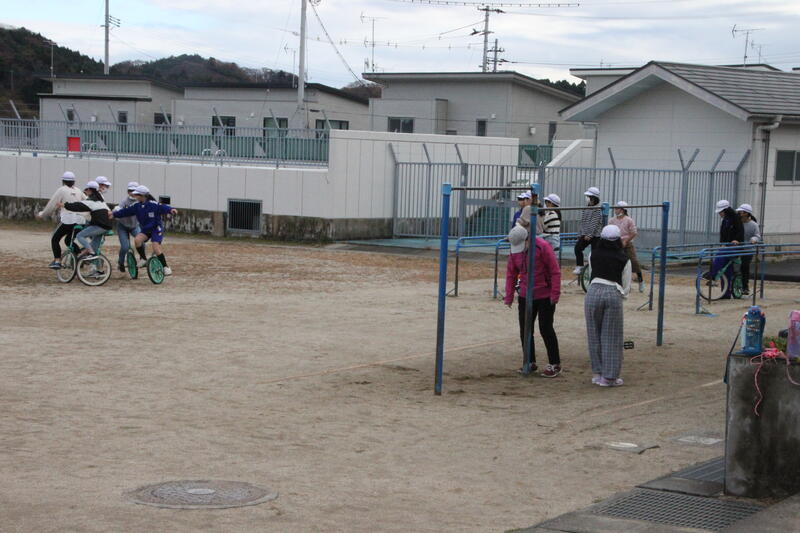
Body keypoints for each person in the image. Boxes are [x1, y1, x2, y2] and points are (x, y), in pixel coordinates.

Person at [504, 225, 562, 378]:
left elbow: (555, 271)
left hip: (545, 294)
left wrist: (555, 294)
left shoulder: (542, 247)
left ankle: (555, 363)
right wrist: (509, 295)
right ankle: (529, 361)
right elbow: (511, 273)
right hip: (525, 294)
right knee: (525, 329)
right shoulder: (515, 251)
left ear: (528, 239)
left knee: (546, 328)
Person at [584, 224, 631, 387]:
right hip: (613, 292)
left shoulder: (593, 254)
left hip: (593, 291)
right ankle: (609, 377)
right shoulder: (623, 258)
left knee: (594, 333)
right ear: (618, 240)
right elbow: (626, 285)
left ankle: (597, 373)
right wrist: (621, 296)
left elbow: (590, 275)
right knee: (611, 336)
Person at [111, 185, 178, 276]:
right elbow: (125, 212)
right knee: (137, 240)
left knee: (155, 246)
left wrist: (171, 210)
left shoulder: (153, 204)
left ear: (142, 195)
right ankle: (143, 259)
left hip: (156, 228)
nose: (135, 196)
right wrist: (114, 215)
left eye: (137, 195)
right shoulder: (136, 205)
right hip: (146, 229)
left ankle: (166, 267)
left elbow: (163, 207)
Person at [36, 171, 87, 269]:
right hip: (80, 221)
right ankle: (80, 257)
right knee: (68, 241)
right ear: (74, 182)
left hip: (68, 220)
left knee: (55, 238)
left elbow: (52, 204)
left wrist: (42, 214)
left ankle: (57, 260)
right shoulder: (79, 191)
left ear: (63, 181)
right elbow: (88, 202)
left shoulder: (62, 190)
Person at [59, 181, 112, 257]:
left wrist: (64, 205)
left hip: (100, 226)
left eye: (86, 190)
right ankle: (93, 264)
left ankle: (90, 252)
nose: (85, 191)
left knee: (80, 236)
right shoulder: (100, 201)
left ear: (90, 190)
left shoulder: (90, 201)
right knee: (94, 248)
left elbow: (78, 206)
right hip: (106, 226)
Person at [708, 200, 744, 299]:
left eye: (721, 212)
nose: (720, 214)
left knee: (721, 255)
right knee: (726, 269)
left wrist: (737, 240)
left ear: (726, 210)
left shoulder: (736, 218)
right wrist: (722, 243)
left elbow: (740, 231)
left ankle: (713, 274)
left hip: (735, 247)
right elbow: (722, 235)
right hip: (726, 246)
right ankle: (725, 294)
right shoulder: (724, 220)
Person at [609, 201, 645, 292]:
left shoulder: (629, 220)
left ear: (623, 210)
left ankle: (640, 281)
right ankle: (618, 283)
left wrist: (626, 241)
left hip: (627, 243)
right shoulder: (612, 220)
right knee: (616, 262)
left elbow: (634, 232)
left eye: (617, 208)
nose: (615, 210)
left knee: (634, 261)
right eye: (615, 208)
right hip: (616, 243)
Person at [115, 181, 148, 272]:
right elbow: (118, 209)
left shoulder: (141, 202)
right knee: (125, 247)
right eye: (130, 190)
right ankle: (120, 263)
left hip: (134, 226)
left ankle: (142, 258)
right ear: (127, 191)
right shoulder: (124, 202)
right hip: (123, 226)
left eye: (134, 191)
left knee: (142, 242)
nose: (132, 193)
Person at [573, 187, 603, 275]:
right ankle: (580, 266)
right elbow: (583, 221)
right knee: (577, 248)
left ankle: (594, 270)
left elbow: (594, 222)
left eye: (588, 196)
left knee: (594, 254)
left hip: (595, 235)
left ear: (593, 198)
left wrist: (589, 235)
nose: (587, 198)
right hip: (585, 233)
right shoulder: (586, 208)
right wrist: (581, 233)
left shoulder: (597, 209)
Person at [737, 203, 761, 296]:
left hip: (748, 249)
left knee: (744, 266)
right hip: (738, 247)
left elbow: (757, 235)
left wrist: (753, 239)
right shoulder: (737, 223)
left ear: (746, 213)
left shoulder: (753, 225)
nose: (739, 213)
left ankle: (745, 287)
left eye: (741, 211)